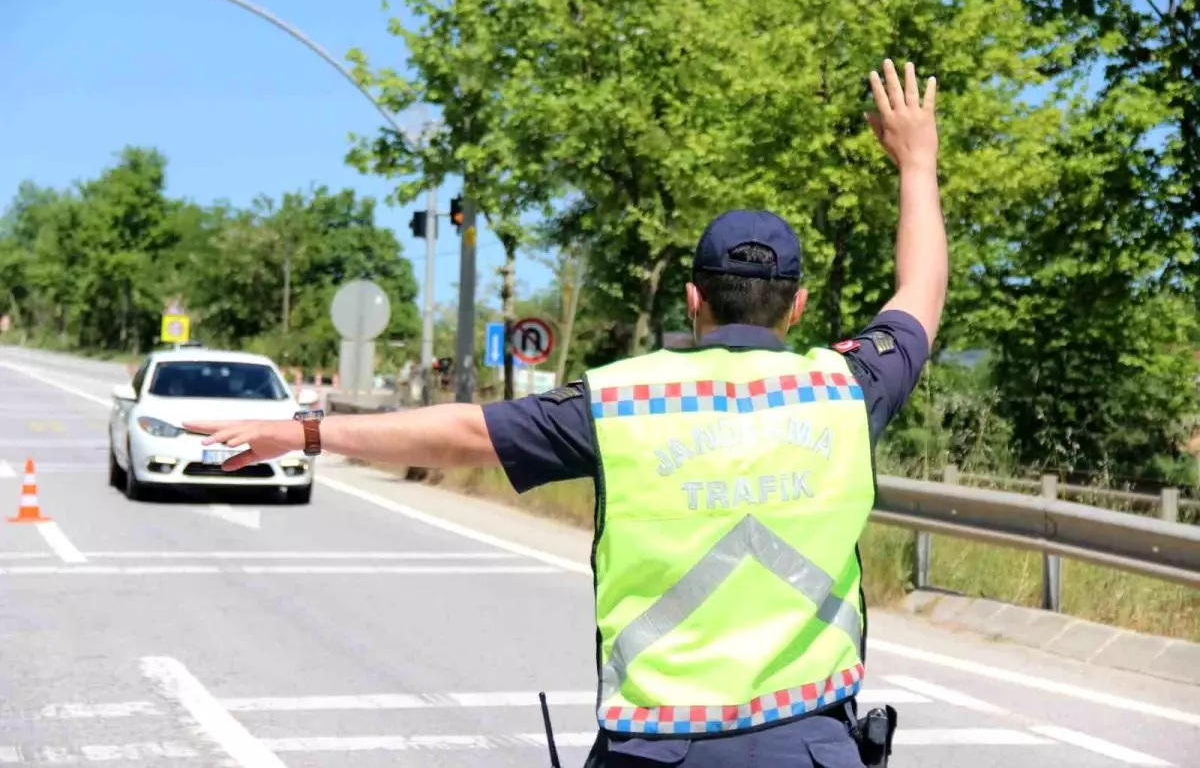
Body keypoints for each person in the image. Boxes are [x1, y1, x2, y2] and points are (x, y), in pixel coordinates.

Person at [185, 58, 945, 768]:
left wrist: (302, 430)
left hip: (656, 749)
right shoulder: (847, 388)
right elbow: (919, 292)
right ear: (799, 304)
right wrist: (916, 162)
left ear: (693, 298)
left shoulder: (624, 400)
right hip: (810, 745)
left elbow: (459, 431)